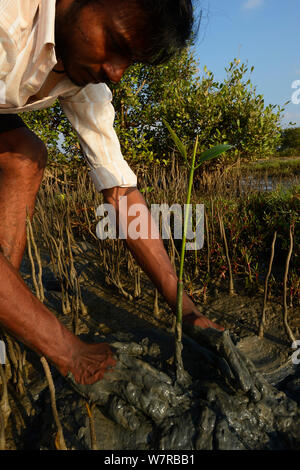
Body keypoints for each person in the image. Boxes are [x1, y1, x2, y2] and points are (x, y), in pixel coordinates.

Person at [0, 0, 223, 386]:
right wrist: (68, 351)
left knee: (25, 156)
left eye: (130, 61)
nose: (116, 74)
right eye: (116, 43)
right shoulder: (10, 17)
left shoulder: (84, 70)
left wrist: (187, 310)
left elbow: (120, 192)